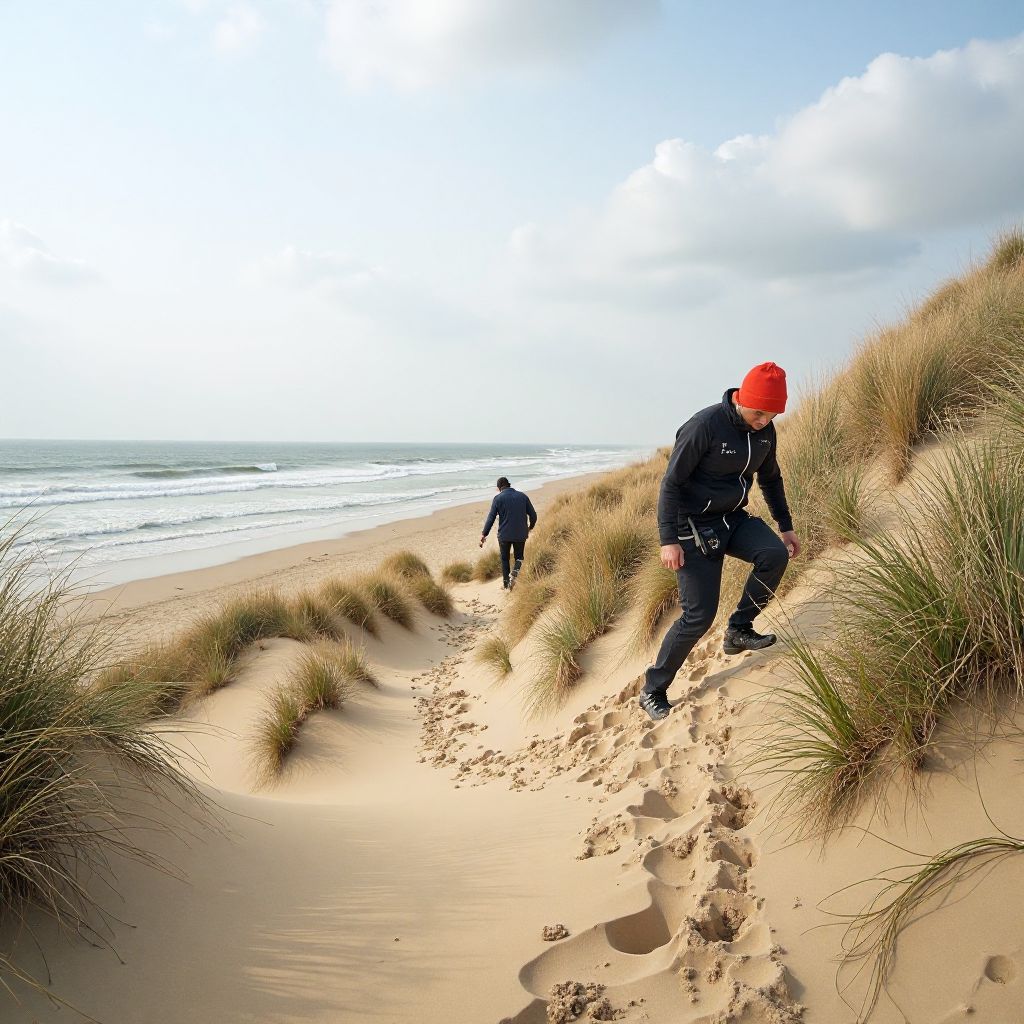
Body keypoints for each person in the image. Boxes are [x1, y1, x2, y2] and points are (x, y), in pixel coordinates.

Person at [639, 362, 801, 722]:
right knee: (698, 616)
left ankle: (739, 629)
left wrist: (785, 526)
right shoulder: (704, 426)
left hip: (732, 519)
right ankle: (653, 688)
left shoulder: (765, 432)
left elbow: (770, 479)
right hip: (692, 526)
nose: (763, 421)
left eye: (771, 415)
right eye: (758, 413)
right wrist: (669, 540)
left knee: (774, 553)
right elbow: (671, 484)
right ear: (742, 398)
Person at [479, 477, 537, 589]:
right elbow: (533, 515)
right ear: (509, 485)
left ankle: (506, 585)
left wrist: (484, 534)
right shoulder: (523, 496)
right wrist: (530, 527)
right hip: (521, 534)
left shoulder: (497, 499)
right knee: (519, 557)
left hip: (504, 535)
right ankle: (515, 572)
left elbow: (491, 518)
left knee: (505, 559)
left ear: (499, 488)